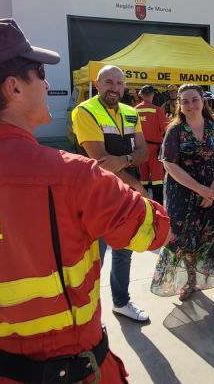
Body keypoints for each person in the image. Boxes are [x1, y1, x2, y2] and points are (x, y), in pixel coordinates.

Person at [0, 18, 170, 383]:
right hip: (77, 370)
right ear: (14, 88)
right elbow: (156, 234)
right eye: (39, 72)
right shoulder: (75, 177)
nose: (45, 82)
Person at [151, 84, 214, 307]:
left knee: (213, 238)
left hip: (213, 192)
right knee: (185, 238)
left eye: (194, 99)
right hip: (182, 194)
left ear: (202, 101)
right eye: (184, 101)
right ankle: (189, 282)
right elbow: (169, 164)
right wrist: (200, 189)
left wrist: (211, 190)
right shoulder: (174, 130)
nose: (190, 105)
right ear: (179, 104)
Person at [72, 65, 152, 323]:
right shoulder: (85, 111)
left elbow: (143, 152)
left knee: (124, 250)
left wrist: (124, 159)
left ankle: (120, 302)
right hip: (98, 196)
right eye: (109, 82)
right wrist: (135, 184)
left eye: (119, 83)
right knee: (94, 257)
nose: (114, 88)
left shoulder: (131, 112)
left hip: (125, 197)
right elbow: (99, 161)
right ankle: (88, 312)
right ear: (97, 84)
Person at [135, 84, 168, 205]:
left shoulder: (133, 110)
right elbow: (166, 128)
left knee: (142, 177)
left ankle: (142, 204)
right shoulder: (157, 110)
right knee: (157, 178)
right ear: (153, 95)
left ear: (141, 95)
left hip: (139, 149)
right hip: (155, 149)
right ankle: (157, 206)